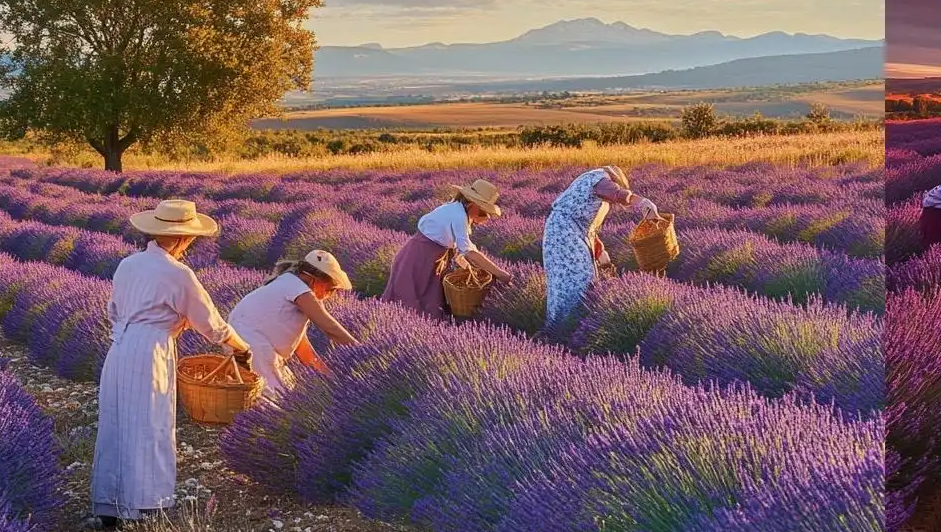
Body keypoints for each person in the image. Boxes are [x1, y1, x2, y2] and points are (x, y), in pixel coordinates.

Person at [89, 197, 251, 527]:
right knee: (150, 424)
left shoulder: (128, 265)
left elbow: (114, 311)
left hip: (119, 347)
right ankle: (149, 505)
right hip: (151, 350)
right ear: (182, 238)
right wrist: (241, 347)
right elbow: (212, 325)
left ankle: (110, 505)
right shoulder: (178, 274)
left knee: (116, 423)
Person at [224, 247, 359, 400]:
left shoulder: (289, 284)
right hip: (254, 344)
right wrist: (361, 351)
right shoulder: (298, 288)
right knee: (271, 399)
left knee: (284, 391)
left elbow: (303, 348)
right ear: (316, 280)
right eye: (331, 289)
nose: (331, 294)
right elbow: (328, 326)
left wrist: (330, 377)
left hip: (247, 340)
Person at [542, 166, 661, 330]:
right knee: (578, 278)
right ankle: (567, 326)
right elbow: (618, 194)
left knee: (568, 279)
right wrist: (643, 203)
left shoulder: (593, 187)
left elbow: (590, 231)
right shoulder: (600, 178)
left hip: (565, 232)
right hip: (564, 233)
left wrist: (603, 258)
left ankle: (562, 328)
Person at [381, 179, 514, 317]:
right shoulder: (458, 215)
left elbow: (457, 246)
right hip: (418, 260)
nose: (486, 218)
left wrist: (466, 265)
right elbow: (470, 252)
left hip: (431, 259)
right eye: (485, 213)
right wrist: (501, 274)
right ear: (473, 206)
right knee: (410, 307)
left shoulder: (456, 208)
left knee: (429, 306)